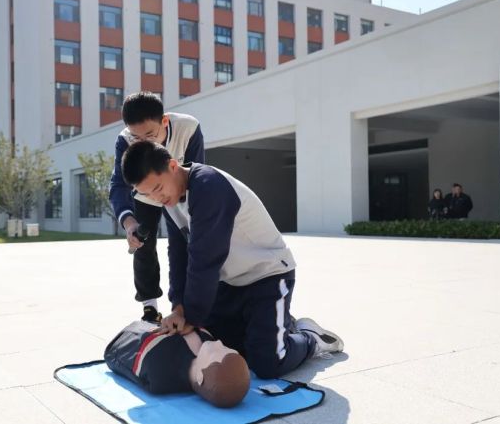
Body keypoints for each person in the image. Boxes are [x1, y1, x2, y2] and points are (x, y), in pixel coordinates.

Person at [121, 141, 344, 379]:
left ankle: (310, 337)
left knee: (268, 363)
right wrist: (178, 307)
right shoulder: (171, 198)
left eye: (157, 188)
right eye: (148, 194)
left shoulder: (208, 186)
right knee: (213, 344)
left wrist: (192, 315)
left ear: (172, 166)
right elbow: (178, 254)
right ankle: (279, 322)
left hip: (267, 276)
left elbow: (205, 259)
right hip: (230, 283)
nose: (157, 197)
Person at [109, 92, 205, 323]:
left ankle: (180, 306)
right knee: (143, 246)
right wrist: (129, 223)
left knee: (181, 245)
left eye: (150, 135)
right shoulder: (124, 140)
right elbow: (118, 184)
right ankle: (149, 306)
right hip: (144, 198)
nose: (144, 143)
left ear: (164, 121)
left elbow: (197, 173)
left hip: (177, 193)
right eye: (137, 137)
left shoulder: (188, 128)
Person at [104, 320, 250, 408]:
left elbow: (120, 352)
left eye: (217, 351)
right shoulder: (207, 340)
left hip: (134, 332)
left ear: (200, 376)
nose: (218, 342)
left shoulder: (158, 372)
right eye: (225, 347)